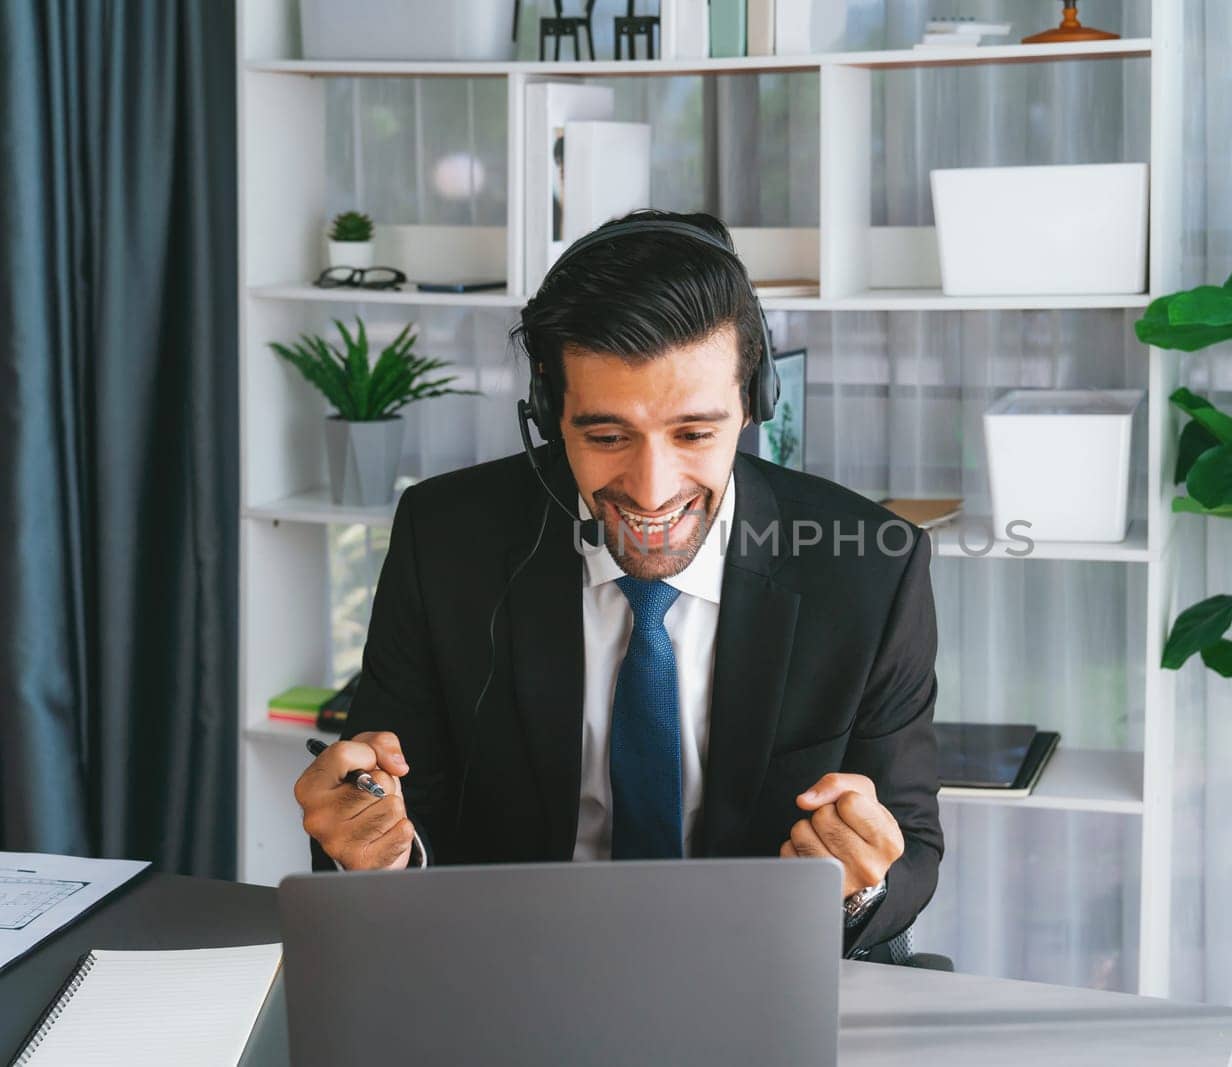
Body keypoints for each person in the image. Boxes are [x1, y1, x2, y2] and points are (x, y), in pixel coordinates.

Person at [293, 210, 942, 958]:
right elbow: (386, 812)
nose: (652, 488)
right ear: (547, 411)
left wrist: (859, 884)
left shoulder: (871, 565)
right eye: (606, 436)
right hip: (514, 968)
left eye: (695, 433)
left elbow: (912, 842)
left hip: (761, 966)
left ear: (753, 402)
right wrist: (374, 849)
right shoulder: (443, 536)